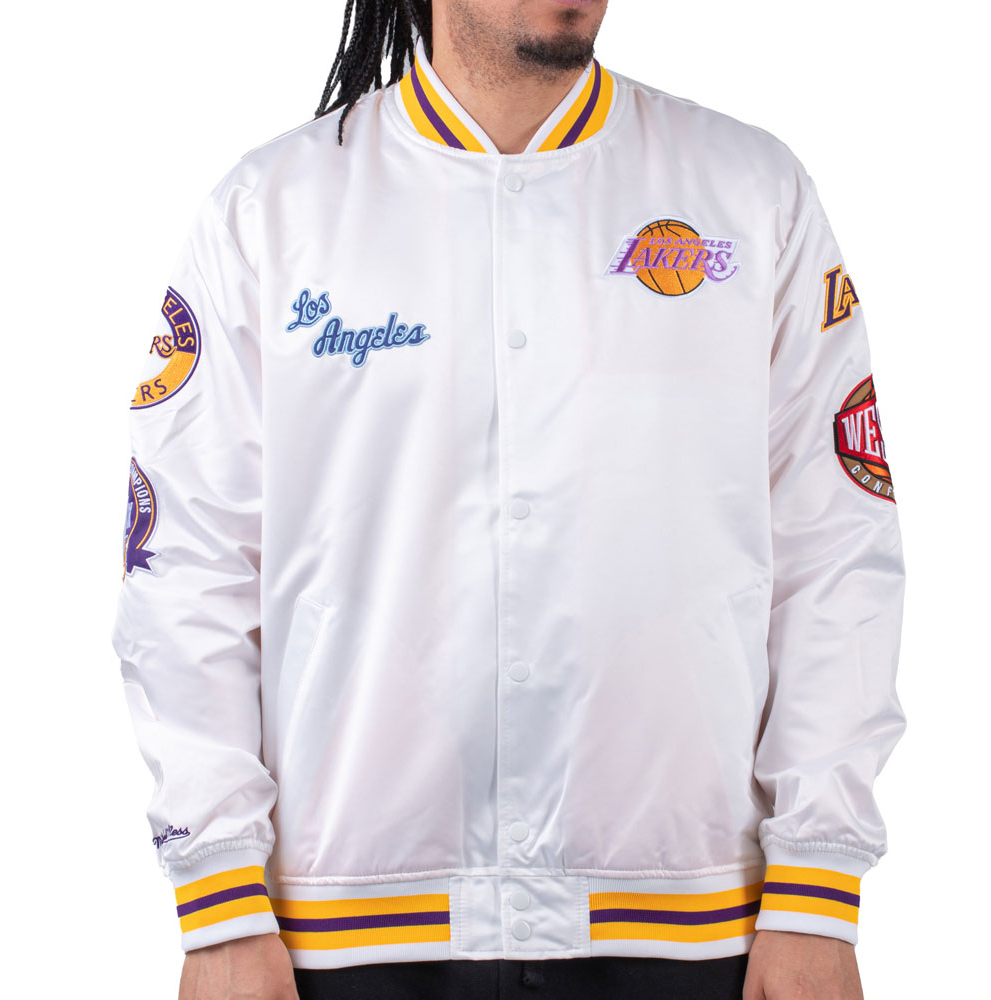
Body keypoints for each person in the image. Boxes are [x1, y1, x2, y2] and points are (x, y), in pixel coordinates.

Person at [111, 1, 906, 998]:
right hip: (343, 926)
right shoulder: (272, 210)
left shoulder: (750, 193)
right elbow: (184, 565)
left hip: (697, 917)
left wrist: (818, 884)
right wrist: (218, 893)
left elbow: (837, 550)